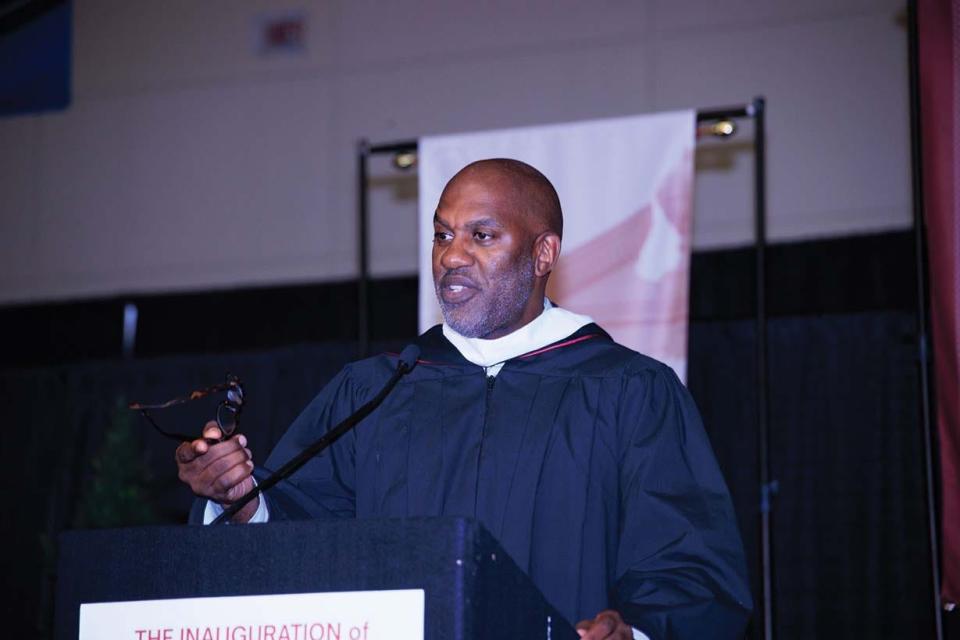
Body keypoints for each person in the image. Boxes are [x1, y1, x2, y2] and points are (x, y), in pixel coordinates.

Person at [176, 159, 753, 640]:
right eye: (442, 234)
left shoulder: (630, 391)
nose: (451, 255)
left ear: (543, 254)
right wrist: (241, 498)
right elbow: (307, 539)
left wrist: (635, 632)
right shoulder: (377, 391)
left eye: (482, 235)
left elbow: (689, 565)